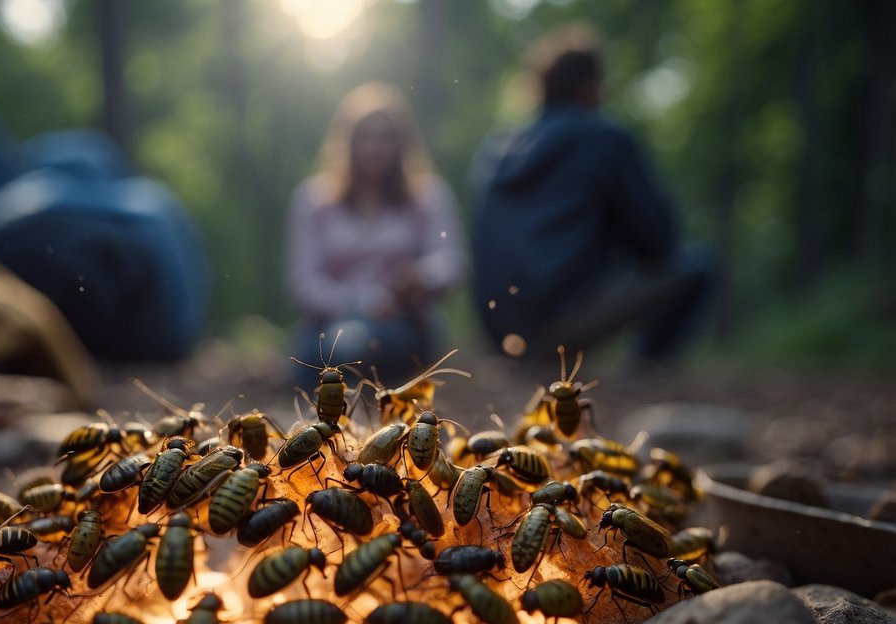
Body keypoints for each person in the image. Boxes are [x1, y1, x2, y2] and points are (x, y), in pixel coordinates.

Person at [469, 25, 717, 366]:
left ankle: (540, 361)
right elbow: (658, 242)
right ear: (588, 87)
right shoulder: (604, 137)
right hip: (563, 322)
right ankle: (645, 376)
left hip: (502, 334)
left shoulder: (496, 147)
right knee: (698, 265)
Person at [285, 83, 466, 390]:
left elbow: (451, 261)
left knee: (363, 346)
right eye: (365, 137)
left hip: (407, 325)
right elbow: (303, 284)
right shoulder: (314, 201)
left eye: (386, 138)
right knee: (339, 346)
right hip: (330, 328)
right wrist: (364, 302)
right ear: (347, 142)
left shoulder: (428, 196)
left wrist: (421, 276)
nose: (375, 147)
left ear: (402, 144)